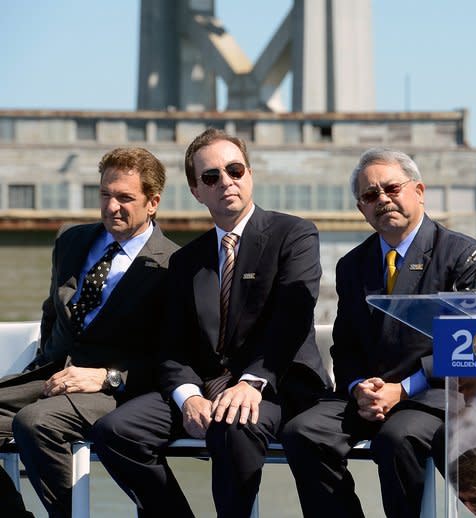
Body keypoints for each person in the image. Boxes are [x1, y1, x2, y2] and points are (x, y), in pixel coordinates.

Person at [91, 128, 330, 517]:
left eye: (235, 170)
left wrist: (252, 383)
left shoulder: (293, 235)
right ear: (196, 191)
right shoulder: (186, 260)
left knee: (233, 426)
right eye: (211, 177)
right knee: (115, 432)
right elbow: (171, 344)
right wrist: (189, 397)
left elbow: (292, 318)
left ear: (249, 174)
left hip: (277, 386)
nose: (226, 182)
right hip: (207, 389)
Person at [282, 148, 476, 517]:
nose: (382, 199)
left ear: (419, 190)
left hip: (436, 394)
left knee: (397, 439)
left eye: (392, 188)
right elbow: (344, 346)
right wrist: (357, 388)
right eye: (370, 195)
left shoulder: (462, 255)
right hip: (369, 396)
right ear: (361, 209)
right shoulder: (353, 265)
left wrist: (403, 388)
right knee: (303, 431)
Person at [0, 147, 179, 517]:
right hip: (52, 373)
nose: (112, 206)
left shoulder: (175, 265)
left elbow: (173, 355)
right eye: (105, 194)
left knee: (35, 423)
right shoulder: (72, 240)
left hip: (115, 389)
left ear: (153, 203)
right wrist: (46, 360)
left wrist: (108, 378)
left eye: (125, 198)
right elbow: (53, 311)